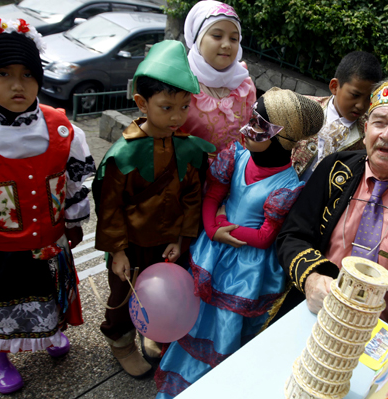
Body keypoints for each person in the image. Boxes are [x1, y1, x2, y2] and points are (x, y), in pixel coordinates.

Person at [155, 88, 324, 398]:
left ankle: (214, 386)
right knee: (196, 312)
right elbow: (214, 192)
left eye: (259, 125)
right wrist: (211, 226)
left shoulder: (288, 186)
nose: (247, 129)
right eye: (252, 119)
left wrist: (220, 226)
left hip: (245, 269)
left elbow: (264, 237)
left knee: (225, 325)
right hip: (214, 249)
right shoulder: (236, 154)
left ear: (281, 138)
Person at [276, 78, 388, 330]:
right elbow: (292, 235)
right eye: (379, 122)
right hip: (314, 314)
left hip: (382, 339)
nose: (387, 134)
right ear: (366, 131)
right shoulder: (334, 168)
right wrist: (311, 279)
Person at [0, 18, 94, 394]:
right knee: (0, 304)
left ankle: (48, 333)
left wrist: (73, 223)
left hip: (50, 241)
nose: (17, 85)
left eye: (28, 74)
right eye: (3, 73)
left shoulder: (60, 127)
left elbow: (73, 181)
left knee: (50, 293)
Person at [93, 40, 215, 379]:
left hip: (166, 243)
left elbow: (193, 197)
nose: (177, 117)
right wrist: (117, 250)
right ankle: (121, 342)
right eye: (166, 107)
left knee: (163, 293)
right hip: (130, 243)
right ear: (141, 103)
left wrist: (181, 235)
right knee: (123, 294)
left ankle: (154, 331)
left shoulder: (189, 150)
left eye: (184, 106)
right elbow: (110, 207)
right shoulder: (122, 155)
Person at [181, 0, 257, 157]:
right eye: (217, 36)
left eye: (234, 39)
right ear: (198, 38)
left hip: (236, 177)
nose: (227, 44)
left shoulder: (244, 85)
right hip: (193, 176)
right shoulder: (181, 84)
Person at [292, 51, 382, 181]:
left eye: (369, 98)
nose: (361, 105)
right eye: (355, 95)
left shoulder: (369, 132)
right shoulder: (303, 107)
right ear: (334, 87)